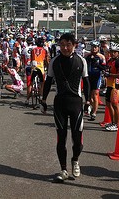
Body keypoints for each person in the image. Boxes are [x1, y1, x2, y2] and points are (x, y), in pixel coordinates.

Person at [41, 33, 90, 182]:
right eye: (62, 45)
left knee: (77, 140)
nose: (65, 48)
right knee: (61, 139)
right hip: (60, 103)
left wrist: (87, 102)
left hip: (76, 103)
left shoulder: (81, 61)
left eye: (68, 45)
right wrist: (43, 100)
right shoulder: (54, 61)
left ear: (74, 45)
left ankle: (75, 160)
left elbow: (87, 83)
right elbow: (48, 81)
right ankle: (63, 169)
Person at [103, 42, 119, 131]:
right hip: (109, 85)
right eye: (111, 51)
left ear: (118, 53)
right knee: (108, 104)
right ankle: (113, 122)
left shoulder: (118, 63)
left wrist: (110, 75)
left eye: (114, 52)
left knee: (115, 105)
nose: (112, 53)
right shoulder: (110, 61)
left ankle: (116, 124)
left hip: (115, 85)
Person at [85, 40, 106, 121]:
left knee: (95, 94)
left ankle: (94, 112)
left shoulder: (101, 57)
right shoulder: (87, 56)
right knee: (89, 96)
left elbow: (104, 68)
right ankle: (90, 107)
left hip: (97, 77)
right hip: (88, 77)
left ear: (98, 48)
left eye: (95, 47)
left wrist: (97, 64)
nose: (94, 49)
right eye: (92, 47)